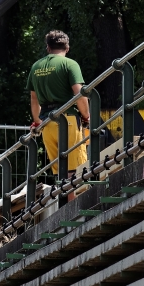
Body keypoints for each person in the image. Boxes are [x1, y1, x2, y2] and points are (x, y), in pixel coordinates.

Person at [28, 30, 90, 177]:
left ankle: (65, 201)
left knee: (59, 172)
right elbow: (79, 94)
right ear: (67, 48)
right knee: (76, 170)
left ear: (48, 48)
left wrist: (37, 122)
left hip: (47, 123)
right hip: (67, 120)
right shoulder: (70, 64)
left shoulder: (36, 67)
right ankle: (75, 201)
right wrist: (87, 116)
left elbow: (34, 98)